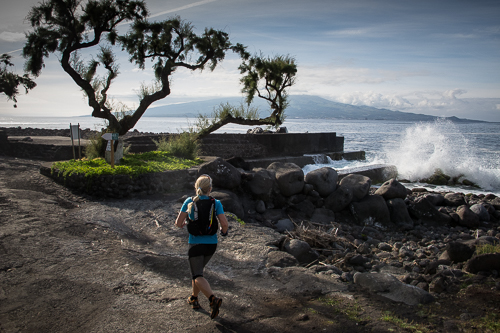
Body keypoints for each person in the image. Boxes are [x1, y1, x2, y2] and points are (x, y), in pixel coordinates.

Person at [175, 174, 229, 319]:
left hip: (196, 244)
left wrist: (185, 224)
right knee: (198, 272)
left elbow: (178, 223)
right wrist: (224, 233)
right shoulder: (216, 202)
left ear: (196, 187)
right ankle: (194, 298)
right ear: (210, 189)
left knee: (197, 274)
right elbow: (224, 224)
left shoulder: (189, 201)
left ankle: (213, 299)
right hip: (211, 245)